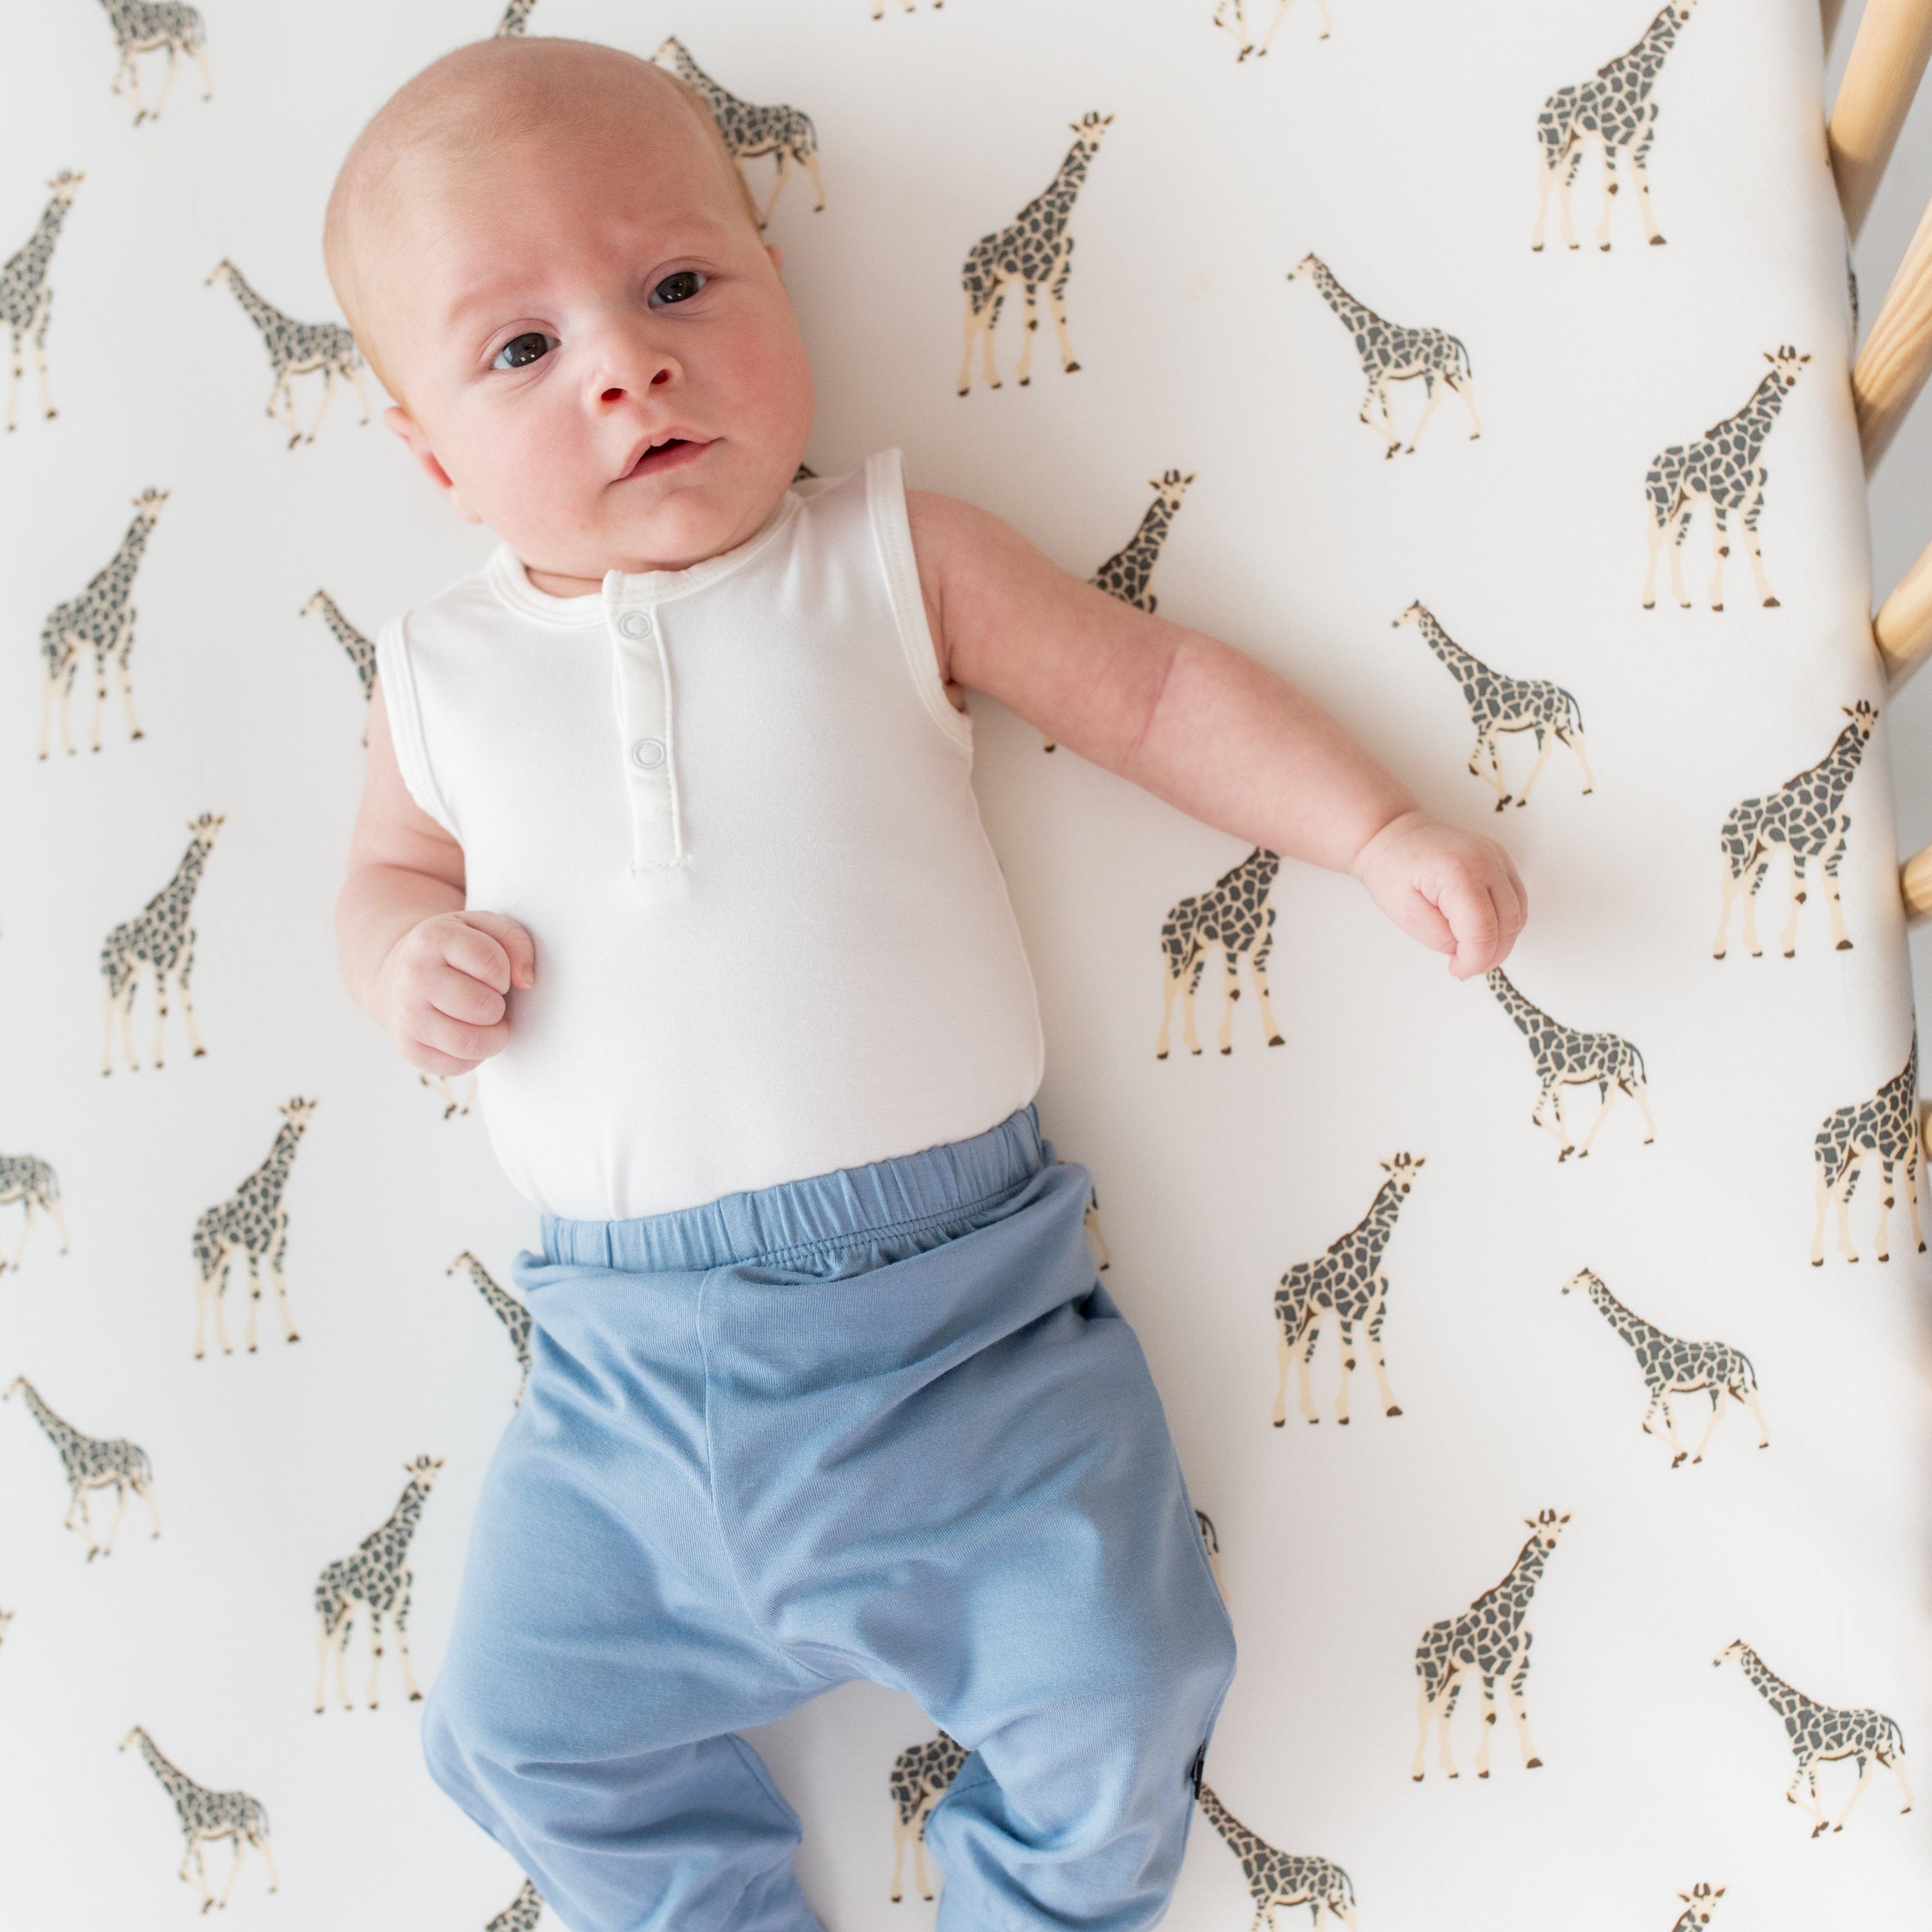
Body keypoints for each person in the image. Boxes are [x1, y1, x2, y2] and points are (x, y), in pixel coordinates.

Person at [328, 33, 1525, 1932]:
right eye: (523, 350)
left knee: (1127, 1678)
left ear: (773, 283)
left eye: (676, 285)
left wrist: (1375, 832)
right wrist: (406, 953)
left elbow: (1151, 691)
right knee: (510, 1732)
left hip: (963, 1344)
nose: (628, 361)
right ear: (427, 448)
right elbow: (384, 875)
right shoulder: (438, 675)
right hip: (621, 1397)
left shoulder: (887, 555)